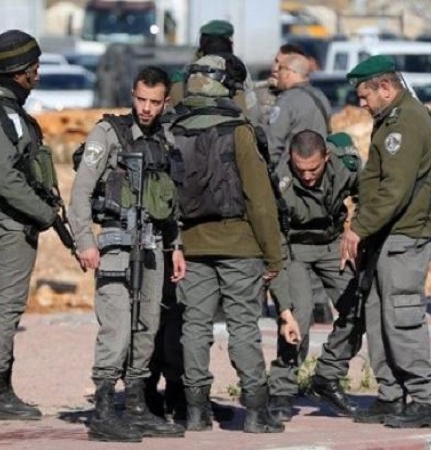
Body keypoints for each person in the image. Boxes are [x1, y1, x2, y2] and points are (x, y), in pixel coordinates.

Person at [69, 66, 186, 442]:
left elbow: (171, 200)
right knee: (117, 327)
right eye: (141, 99)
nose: (146, 108)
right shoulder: (108, 133)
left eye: (154, 102)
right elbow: (80, 193)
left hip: (153, 245)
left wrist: (176, 246)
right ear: (132, 96)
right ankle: (104, 409)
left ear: (165, 102)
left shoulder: (166, 138)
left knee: (146, 327)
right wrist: (85, 241)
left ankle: (136, 405)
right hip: (116, 244)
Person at [170, 53, 284, 434]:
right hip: (240, 244)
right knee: (243, 326)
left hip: (191, 244)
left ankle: (196, 411)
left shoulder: (175, 128)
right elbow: (260, 200)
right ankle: (256, 411)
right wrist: (274, 255)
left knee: (194, 326)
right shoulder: (239, 129)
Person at [341, 54, 431, 428]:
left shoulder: (407, 122)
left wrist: (358, 228)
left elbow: (394, 191)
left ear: (385, 87)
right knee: (378, 316)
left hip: (407, 234)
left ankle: (426, 401)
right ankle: (391, 396)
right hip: (386, 235)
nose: (361, 103)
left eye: (365, 95)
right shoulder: (390, 119)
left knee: (402, 318)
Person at [0, 30, 58, 421]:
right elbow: (7, 181)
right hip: (8, 220)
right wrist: (45, 214)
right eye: (33, 69)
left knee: (7, 305)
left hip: (7, 217)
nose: (37, 75)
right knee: (6, 307)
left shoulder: (6, 109)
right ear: (17, 72)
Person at [266, 130, 364, 422]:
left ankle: (327, 376)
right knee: (299, 315)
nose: (307, 177)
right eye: (301, 170)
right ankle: (282, 389)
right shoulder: (279, 182)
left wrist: (355, 229)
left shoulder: (346, 165)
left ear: (327, 158)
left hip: (332, 242)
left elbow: (369, 195)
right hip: (294, 247)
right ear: (290, 160)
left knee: (359, 306)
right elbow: (274, 239)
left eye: (314, 169)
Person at [169, 20, 261, 123]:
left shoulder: (195, 64)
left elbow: (179, 81)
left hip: (195, 122)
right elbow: (247, 101)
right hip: (231, 123)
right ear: (228, 42)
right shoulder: (235, 64)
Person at [266, 51, 331, 166]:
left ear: (288, 72)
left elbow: (273, 143)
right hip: (318, 167)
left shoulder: (286, 100)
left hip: (291, 169)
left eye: (280, 69)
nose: (277, 74)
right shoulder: (321, 96)